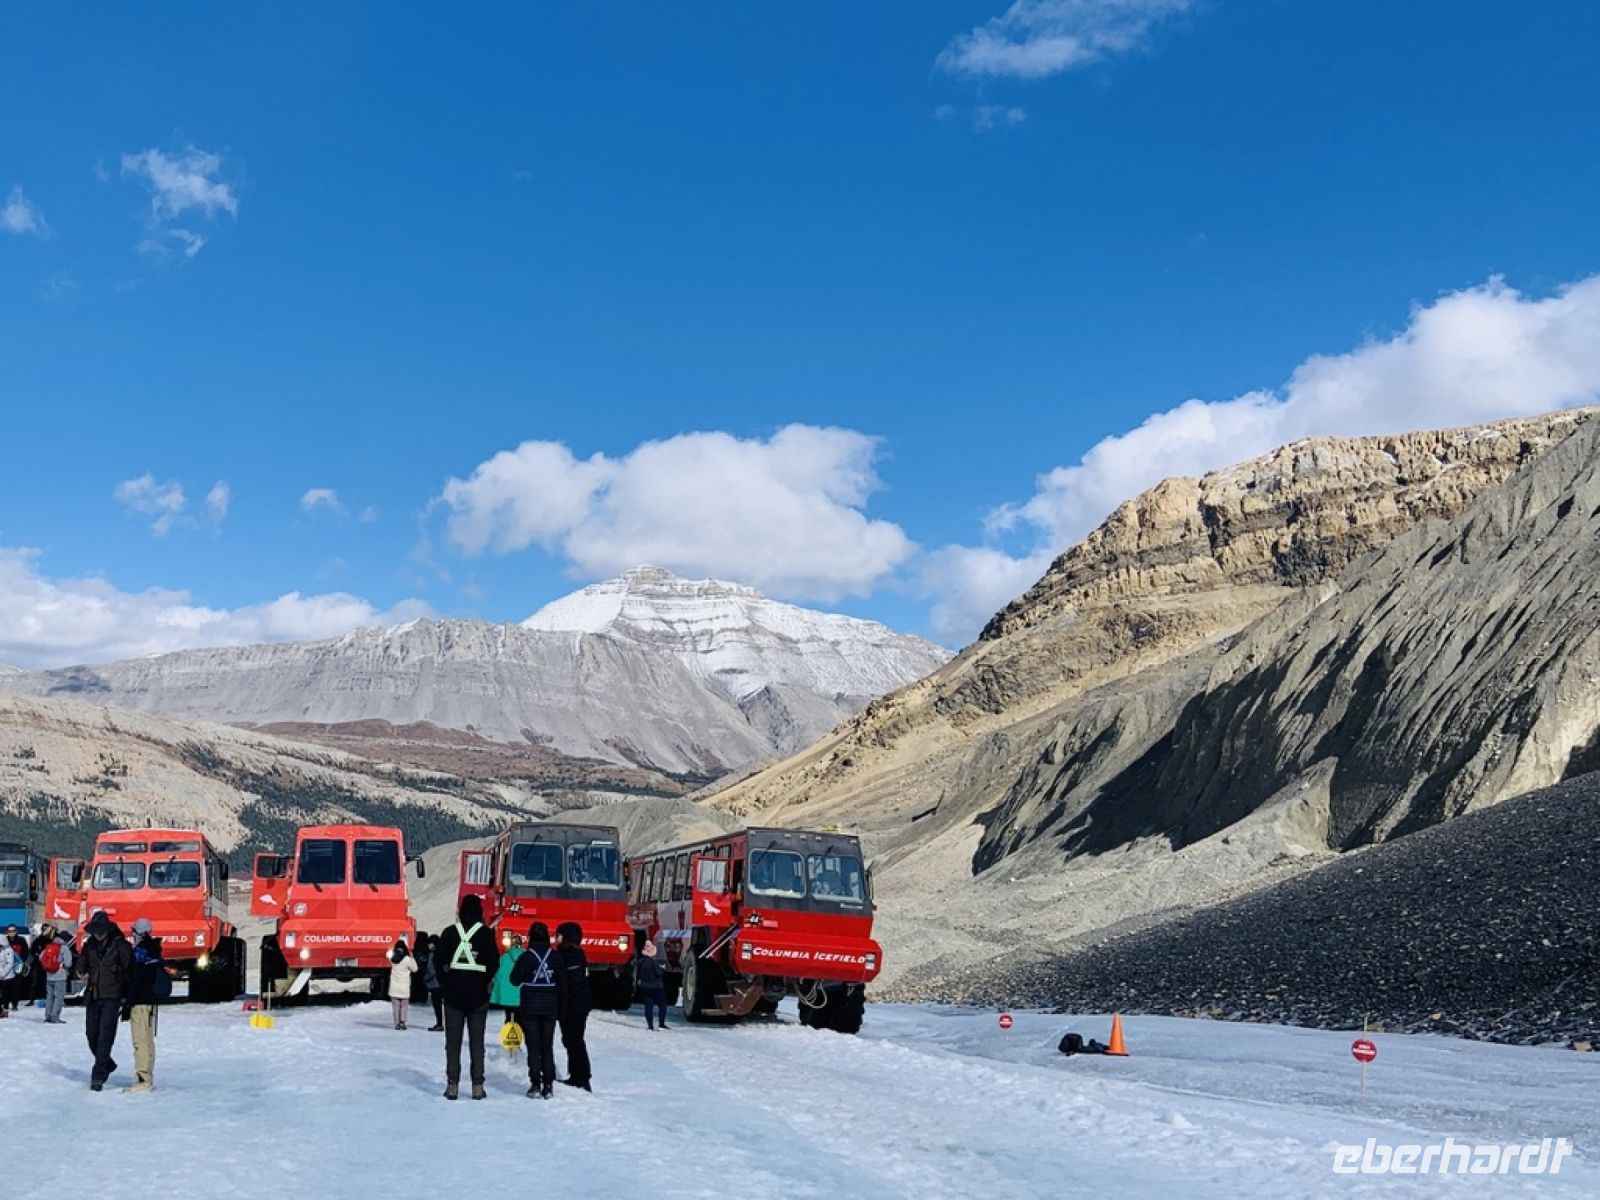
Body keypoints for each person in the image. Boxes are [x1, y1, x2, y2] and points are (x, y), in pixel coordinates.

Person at [431, 895, 498, 1100]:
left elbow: (438, 960)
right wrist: (485, 979)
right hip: (478, 996)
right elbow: (494, 963)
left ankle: (453, 1086)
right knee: (477, 1042)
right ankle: (477, 1086)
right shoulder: (486, 934)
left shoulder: (450, 933)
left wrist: (445, 981)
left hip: (453, 995)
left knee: (453, 1042)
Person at [76, 910, 133, 1090]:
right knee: (91, 1035)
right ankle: (107, 1063)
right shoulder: (89, 945)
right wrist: (79, 970)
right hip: (93, 994)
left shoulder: (120, 945)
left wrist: (126, 995)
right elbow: (81, 963)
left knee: (105, 1037)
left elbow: (129, 969)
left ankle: (98, 1075)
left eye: (101, 930)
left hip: (112, 996)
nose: (98, 934)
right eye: (95, 931)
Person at [510, 922, 561, 1098]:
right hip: (550, 1006)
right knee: (547, 1046)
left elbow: (514, 980)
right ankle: (549, 1085)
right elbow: (563, 982)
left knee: (533, 1046)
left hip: (530, 1006)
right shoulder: (555, 957)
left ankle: (535, 1084)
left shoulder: (526, 957)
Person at [125, 918, 169, 1093]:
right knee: (148, 1040)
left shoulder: (139, 953)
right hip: (151, 1001)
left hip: (139, 1001)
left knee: (140, 1041)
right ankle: (148, 1075)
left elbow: (135, 978)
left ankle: (142, 1079)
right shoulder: (154, 950)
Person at [554, 921, 592, 1091]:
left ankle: (582, 1076)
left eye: (559, 936)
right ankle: (576, 1074)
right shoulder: (572, 955)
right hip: (575, 1005)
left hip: (575, 1006)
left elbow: (571, 983)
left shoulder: (571, 956)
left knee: (574, 1039)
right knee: (570, 1039)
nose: (557, 939)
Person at [489, 933, 524, 1026]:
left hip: (507, 994)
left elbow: (497, 975)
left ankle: (509, 1031)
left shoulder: (504, 957)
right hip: (522, 994)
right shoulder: (526, 957)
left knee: (509, 1016)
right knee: (520, 1017)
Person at [42, 926, 74, 1023]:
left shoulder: (49, 945)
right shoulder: (64, 948)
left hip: (49, 976)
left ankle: (48, 1016)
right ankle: (55, 1017)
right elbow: (68, 963)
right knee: (58, 998)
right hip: (60, 976)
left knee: (49, 996)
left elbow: (41, 957)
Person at [637, 939, 668, 1031]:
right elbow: (659, 974)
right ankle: (661, 1024)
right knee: (663, 1004)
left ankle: (650, 1025)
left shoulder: (640, 962)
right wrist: (662, 969)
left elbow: (638, 974)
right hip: (656, 987)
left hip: (644, 986)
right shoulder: (654, 962)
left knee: (648, 1006)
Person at [388, 937, 417, 1030]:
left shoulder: (392, 959)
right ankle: (402, 1022)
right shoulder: (407, 959)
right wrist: (412, 958)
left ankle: (396, 1023)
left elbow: (389, 955)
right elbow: (415, 969)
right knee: (404, 1006)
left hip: (394, 987)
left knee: (395, 1007)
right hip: (404, 986)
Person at [417, 932, 444, 1031]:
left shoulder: (432, 955)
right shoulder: (443, 953)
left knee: (437, 1005)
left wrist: (425, 979)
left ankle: (439, 1023)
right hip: (443, 983)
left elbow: (431, 969)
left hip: (434, 983)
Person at [0, 935, 16, 1019]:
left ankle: (5, 1010)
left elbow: (10, 963)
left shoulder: (8, 950)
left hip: (7, 976)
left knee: (6, 994)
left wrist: (3, 974)